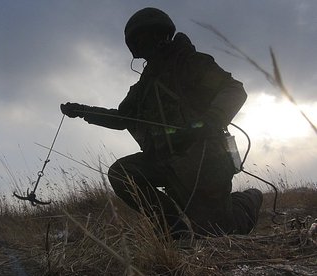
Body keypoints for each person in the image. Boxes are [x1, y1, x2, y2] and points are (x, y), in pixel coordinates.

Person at [60, 7, 263, 237]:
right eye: (138, 42)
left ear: (161, 35)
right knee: (122, 172)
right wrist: (84, 111)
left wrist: (209, 122)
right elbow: (121, 119)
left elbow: (234, 89)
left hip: (205, 161)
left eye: (146, 38)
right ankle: (174, 230)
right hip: (165, 163)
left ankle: (250, 198)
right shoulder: (143, 86)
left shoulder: (190, 62)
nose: (143, 46)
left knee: (218, 232)